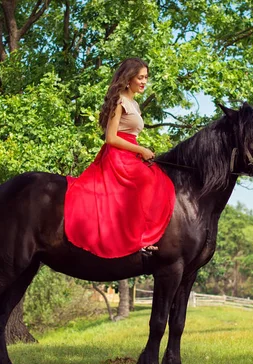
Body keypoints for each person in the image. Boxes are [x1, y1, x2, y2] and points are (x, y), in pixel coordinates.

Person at [64, 58, 175, 258]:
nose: (144, 82)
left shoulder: (134, 103)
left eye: (146, 78)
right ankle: (139, 238)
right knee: (148, 179)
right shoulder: (120, 101)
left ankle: (148, 234)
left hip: (129, 154)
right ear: (128, 78)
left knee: (159, 177)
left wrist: (139, 151)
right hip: (117, 155)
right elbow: (111, 138)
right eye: (140, 77)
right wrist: (140, 150)